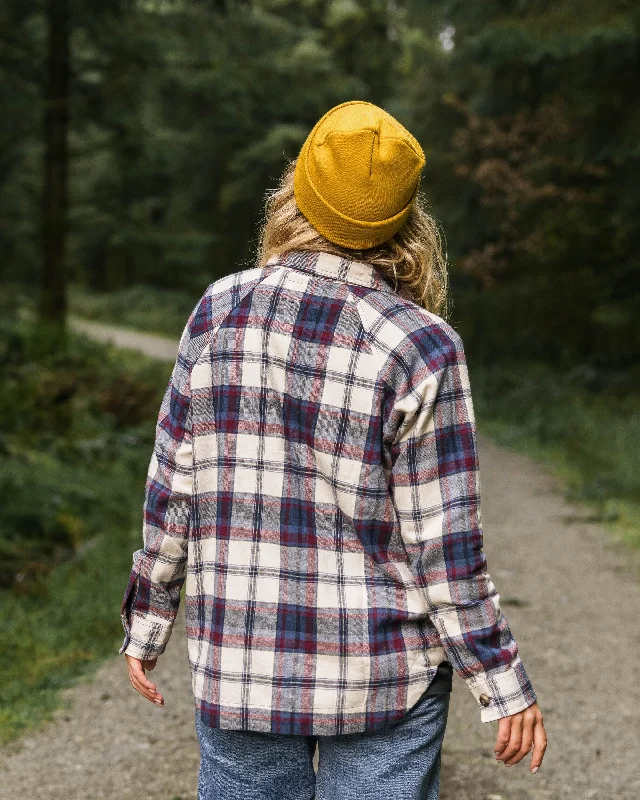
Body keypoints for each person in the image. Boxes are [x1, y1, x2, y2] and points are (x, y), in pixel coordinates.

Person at [119, 100, 547, 800]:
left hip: (241, 663)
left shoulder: (218, 309)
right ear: (407, 220)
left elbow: (175, 489)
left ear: (296, 193)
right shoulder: (422, 346)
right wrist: (501, 684)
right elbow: (445, 546)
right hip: (382, 675)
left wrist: (148, 620)